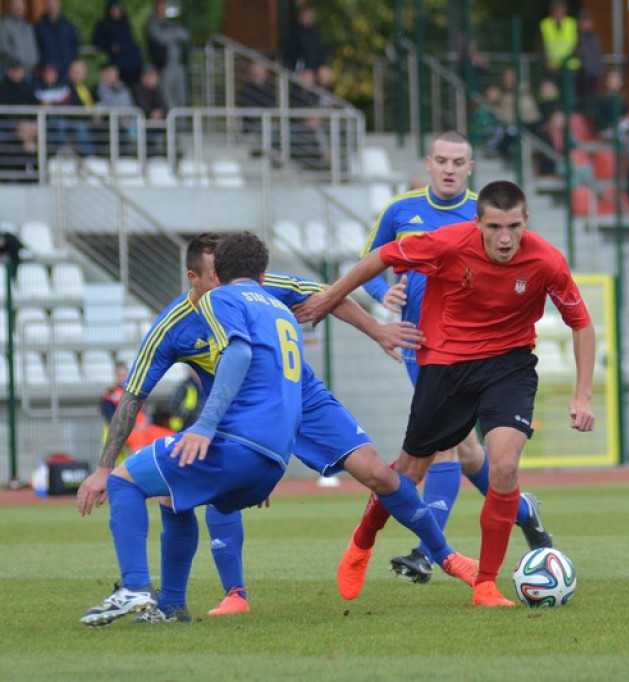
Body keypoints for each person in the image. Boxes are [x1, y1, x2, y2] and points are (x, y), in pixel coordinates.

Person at [76, 233, 475, 623]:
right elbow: (134, 393)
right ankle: (217, 596)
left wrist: (379, 331)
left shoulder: (240, 292)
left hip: (294, 399)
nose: (220, 281)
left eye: (223, 271)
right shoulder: (177, 325)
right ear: (194, 278)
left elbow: (326, 295)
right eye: (212, 275)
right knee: (175, 491)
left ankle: (444, 555)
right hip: (246, 417)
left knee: (377, 473)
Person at [295, 180, 597, 608]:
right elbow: (380, 256)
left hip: (509, 367)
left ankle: (486, 585)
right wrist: (330, 296)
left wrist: (581, 395)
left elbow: (581, 324)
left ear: (526, 221)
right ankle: (362, 541)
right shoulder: (448, 243)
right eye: (494, 227)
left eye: (514, 226)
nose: (505, 238)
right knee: (408, 473)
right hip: (446, 366)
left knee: (505, 465)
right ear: (478, 223)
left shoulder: (547, 260)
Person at [78, 233, 307, 626]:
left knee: (122, 481)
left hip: (239, 440)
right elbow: (289, 387)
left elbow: (238, 353)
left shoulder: (221, 299)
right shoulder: (279, 311)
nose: (217, 281)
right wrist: (271, 455)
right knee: (171, 494)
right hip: (273, 452)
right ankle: (171, 607)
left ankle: (134, 586)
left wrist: (205, 426)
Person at [356, 131, 554, 585]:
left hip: (474, 350)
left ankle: (429, 551)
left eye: (458, 161)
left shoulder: (485, 216)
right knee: (463, 449)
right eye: (441, 160)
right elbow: (370, 259)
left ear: (470, 168)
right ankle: (523, 511)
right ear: (428, 163)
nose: (449, 168)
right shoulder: (400, 210)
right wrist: (384, 293)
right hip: (418, 342)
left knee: (454, 445)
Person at [145, 0, 190, 110]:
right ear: (155, 7)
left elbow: (186, 35)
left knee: (181, 96)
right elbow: (160, 38)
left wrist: (170, 34)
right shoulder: (151, 22)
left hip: (178, 64)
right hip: (164, 66)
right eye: (161, 5)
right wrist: (175, 34)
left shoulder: (171, 23)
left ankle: (183, 124)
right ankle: (171, 123)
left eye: (165, 5)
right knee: (167, 96)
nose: (163, 8)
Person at [93, 0, 143, 87]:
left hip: (131, 58)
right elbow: (96, 41)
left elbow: (131, 39)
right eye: (113, 9)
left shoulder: (125, 24)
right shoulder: (103, 24)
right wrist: (110, 46)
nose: (115, 11)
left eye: (117, 9)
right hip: (117, 59)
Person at [573, 8, 604, 126]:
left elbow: (598, 57)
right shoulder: (575, 38)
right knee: (580, 102)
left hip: (592, 75)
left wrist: (599, 72)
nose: (585, 24)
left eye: (588, 21)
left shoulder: (595, 38)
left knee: (591, 103)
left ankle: (590, 125)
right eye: (583, 21)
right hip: (579, 75)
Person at [34, 0, 78, 78]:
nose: (52, 8)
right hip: (47, 73)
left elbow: (75, 45)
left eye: (54, 5)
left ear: (59, 6)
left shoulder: (68, 26)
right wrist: (44, 63)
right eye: (50, 6)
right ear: (46, 7)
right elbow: (35, 48)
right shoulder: (39, 27)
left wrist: (70, 61)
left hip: (66, 71)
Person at [537, 0, 578, 81]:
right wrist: (546, 62)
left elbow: (578, 45)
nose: (558, 13)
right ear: (551, 12)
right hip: (552, 69)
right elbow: (539, 46)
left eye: (560, 10)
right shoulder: (545, 25)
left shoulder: (571, 23)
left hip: (571, 68)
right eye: (556, 10)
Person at [0, 0, 39, 74]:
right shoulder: (5, 25)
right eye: (16, 6)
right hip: (14, 72)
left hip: (30, 71)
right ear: (11, 8)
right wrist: (19, 61)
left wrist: (35, 60)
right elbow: (3, 47)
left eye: (21, 6)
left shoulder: (28, 26)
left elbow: (33, 45)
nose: (19, 9)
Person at [288, 5, 325, 72]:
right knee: (307, 77)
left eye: (309, 15)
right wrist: (302, 69)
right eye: (305, 15)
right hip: (302, 68)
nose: (307, 17)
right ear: (300, 16)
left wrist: (323, 66)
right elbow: (293, 55)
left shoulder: (315, 33)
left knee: (325, 74)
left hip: (316, 67)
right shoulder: (294, 34)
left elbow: (321, 53)